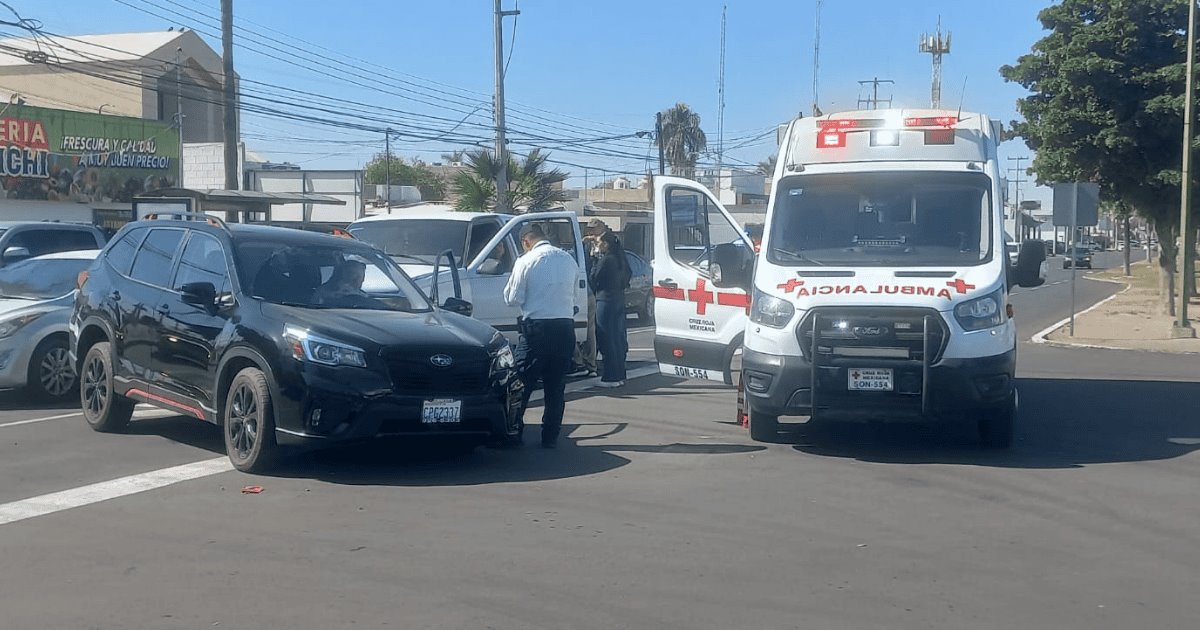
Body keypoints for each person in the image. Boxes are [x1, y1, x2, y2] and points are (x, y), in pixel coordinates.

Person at [503, 224, 580, 448]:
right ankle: (550, 437)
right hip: (565, 330)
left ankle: (514, 433)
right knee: (555, 388)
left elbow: (512, 298)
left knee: (521, 384)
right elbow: (574, 296)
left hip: (536, 331)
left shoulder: (526, 261)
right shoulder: (568, 260)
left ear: (526, 241)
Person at [590, 231, 631, 387]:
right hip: (618, 299)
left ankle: (610, 377)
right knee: (617, 338)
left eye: (599, 243)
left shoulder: (606, 260)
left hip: (605, 300)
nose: (598, 246)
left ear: (606, 244)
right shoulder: (620, 259)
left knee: (606, 338)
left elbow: (594, 278)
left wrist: (594, 259)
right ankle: (619, 374)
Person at [570, 219, 610, 377]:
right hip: (588, 291)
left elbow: (597, 267)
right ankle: (584, 363)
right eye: (589, 229)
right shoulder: (585, 245)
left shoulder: (607, 243)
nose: (591, 232)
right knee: (585, 330)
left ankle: (588, 363)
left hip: (591, 291)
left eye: (594, 229)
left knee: (589, 330)